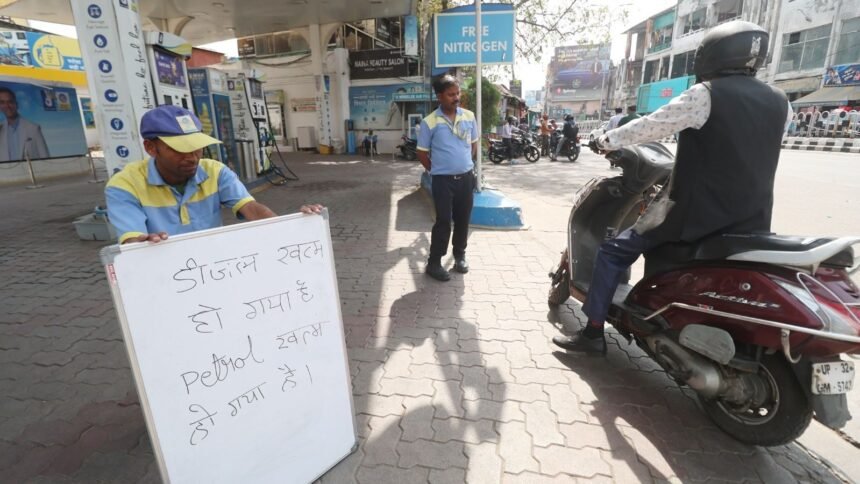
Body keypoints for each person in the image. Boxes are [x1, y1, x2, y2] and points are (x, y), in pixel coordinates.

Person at [553, 21, 793, 354]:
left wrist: (606, 140)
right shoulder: (781, 102)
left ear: (713, 54)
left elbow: (652, 126)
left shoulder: (706, 94)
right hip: (751, 220)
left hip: (694, 216)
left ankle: (593, 333)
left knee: (612, 252)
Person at [105, 105, 321, 244]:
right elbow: (132, 239)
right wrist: (141, 244)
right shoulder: (124, 185)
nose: (192, 157)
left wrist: (291, 226)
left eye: (197, 147)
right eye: (180, 149)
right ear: (151, 148)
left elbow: (251, 208)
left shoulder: (214, 171)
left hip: (211, 270)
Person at [416, 74, 479, 282]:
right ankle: (434, 263)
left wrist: (463, 164)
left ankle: (460, 256)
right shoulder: (429, 122)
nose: (456, 97)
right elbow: (422, 153)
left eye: (458, 93)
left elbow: (474, 144)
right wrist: (437, 169)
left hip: (466, 178)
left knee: (463, 218)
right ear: (440, 96)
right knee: (443, 221)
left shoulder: (469, 116)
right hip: (442, 181)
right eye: (451, 94)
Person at [0, 87, 50, 162]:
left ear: (16, 104)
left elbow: (46, 158)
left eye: (10, 102)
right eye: (2, 102)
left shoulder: (33, 128)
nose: (7, 106)